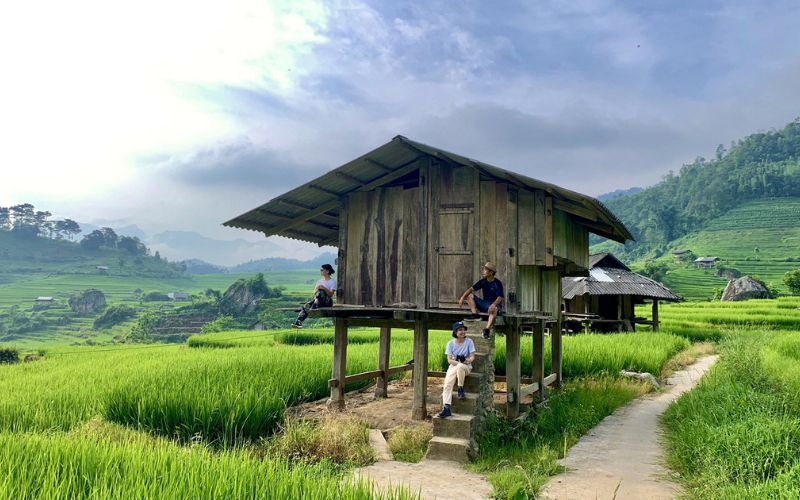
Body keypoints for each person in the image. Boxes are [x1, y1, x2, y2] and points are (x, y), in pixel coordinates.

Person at [437, 321, 476, 418]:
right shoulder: (450, 344)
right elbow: (449, 360)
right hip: (454, 366)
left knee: (460, 366)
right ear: (455, 332)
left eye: (463, 330)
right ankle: (446, 407)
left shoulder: (469, 341)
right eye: (460, 330)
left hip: (466, 367)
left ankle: (460, 387)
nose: (462, 332)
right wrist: (458, 362)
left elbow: (472, 356)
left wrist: (467, 360)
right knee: (447, 384)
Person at [459, 262, 504, 339]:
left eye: (485, 270)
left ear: (491, 272)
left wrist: (493, 305)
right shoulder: (483, 281)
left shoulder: (497, 283)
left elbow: (500, 297)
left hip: (494, 306)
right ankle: (474, 315)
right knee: (469, 295)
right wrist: (462, 297)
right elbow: (471, 289)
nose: (483, 271)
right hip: (485, 304)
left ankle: (487, 329)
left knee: (494, 309)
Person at [292, 264, 336, 328]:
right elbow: (315, 293)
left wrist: (324, 288)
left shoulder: (332, 282)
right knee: (306, 305)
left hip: (327, 302)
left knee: (321, 291)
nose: (320, 271)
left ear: (327, 271)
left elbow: (331, 294)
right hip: (317, 301)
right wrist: (317, 288)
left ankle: (315, 304)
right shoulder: (319, 281)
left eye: (322, 270)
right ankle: (299, 322)